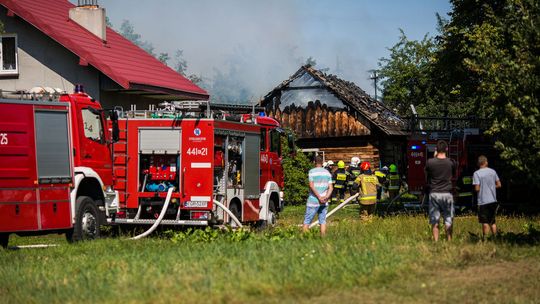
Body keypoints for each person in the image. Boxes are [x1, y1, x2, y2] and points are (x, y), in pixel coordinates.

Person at [425, 140, 456, 241]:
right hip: (447, 193)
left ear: (436, 150)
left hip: (434, 193)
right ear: (446, 149)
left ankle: (436, 241)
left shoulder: (430, 162)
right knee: (448, 219)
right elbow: (454, 174)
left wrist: (434, 157)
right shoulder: (451, 162)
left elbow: (427, 176)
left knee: (435, 220)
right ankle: (449, 240)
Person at [303, 155, 333, 236]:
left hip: (313, 200)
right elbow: (331, 188)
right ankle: (323, 238)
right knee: (322, 221)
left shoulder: (311, 172)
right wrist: (326, 197)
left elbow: (311, 186)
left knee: (307, 221)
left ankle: (305, 239)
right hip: (324, 201)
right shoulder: (327, 173)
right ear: (322, 162)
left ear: (314, 162)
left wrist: (319, 197)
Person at [473, 155, 501, 240]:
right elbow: (499, 185)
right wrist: (491, 187)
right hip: (493, 200)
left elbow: (477, 188)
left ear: (478, 163)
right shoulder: (493, 171)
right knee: (492, 222)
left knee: (485, 222)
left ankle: (485, 239)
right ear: (486, 162)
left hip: (483, 201)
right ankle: (495, 238)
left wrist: (483, 188)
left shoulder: (476, 173)